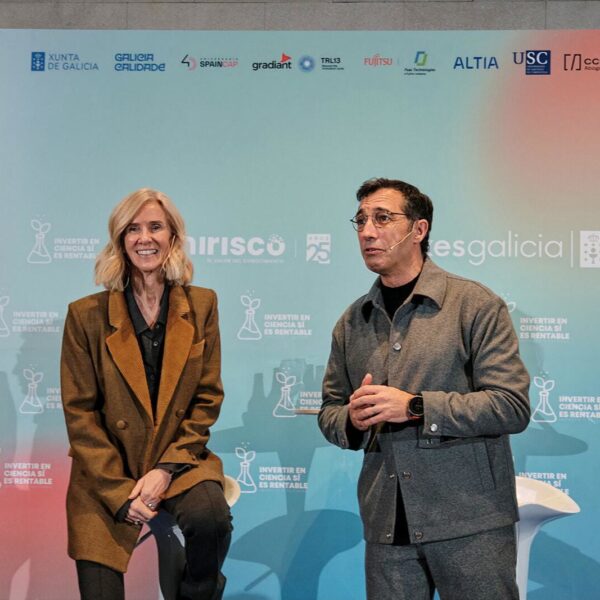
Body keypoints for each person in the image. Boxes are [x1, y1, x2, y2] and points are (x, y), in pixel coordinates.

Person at [318, 178, 530, 600]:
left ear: (419, 229)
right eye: (360, 220)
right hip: (386, 525)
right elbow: (330, 410)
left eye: (382, 218)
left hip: (469, 520)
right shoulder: (353, 321)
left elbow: (510, 405)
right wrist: (352, 420)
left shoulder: (475, 305)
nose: (367, 231)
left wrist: (416, 407)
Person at [60, 188, 232, 600]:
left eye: (155, 227)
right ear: (120, 240)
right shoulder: (85, 315)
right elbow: (80, 414)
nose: (144, 238)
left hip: (177, 460)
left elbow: (207, 398)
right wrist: (120, 493)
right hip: (106, 470)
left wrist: (165, 469)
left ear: (173, 236)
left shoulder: (202, 304)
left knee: (211, 518)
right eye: (133, 229)